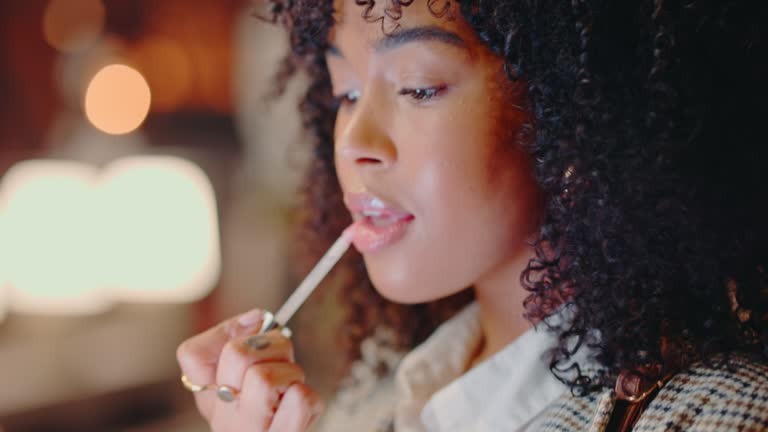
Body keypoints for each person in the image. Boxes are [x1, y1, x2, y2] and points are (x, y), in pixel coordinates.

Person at [176, 0, 768, 431]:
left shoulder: (713, 416)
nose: (353, 141)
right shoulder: (370, 405)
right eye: (346, 92)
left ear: (574, 108)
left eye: (417, 87)